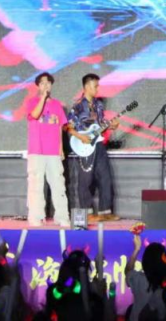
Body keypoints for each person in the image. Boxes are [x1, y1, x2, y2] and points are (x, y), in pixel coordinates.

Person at [67, 73, 120, 222]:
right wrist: (81, 137)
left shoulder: (99, 105)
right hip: (85, 145)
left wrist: (111, 125)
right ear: (86, 86)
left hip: (99, 144)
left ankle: (105, 211)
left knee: (105, 177)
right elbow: (68, 127)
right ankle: (87, 213)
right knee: (86, 180)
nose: (97, 88)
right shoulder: (78, 106)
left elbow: (100, 125)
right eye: (95, 86)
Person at [26, 72, 71, 227]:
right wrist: (43, 99)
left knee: (58, 184)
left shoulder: (57, 105)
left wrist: (61, 149)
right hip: (36, 149)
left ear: (51, 85)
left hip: (53, 150)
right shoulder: (32, 102)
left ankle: (62, 216)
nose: (46, 85)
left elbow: (59, 127)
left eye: (48, 83)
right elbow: (35, 115)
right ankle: (36, 216)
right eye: (42, 83)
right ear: (38, 86)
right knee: (35, 185)